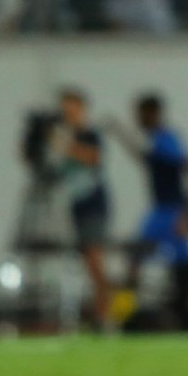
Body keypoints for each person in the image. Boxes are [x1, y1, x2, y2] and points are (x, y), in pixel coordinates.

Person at [104, 92, 188, 329]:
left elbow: (186, 165)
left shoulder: (166, 138)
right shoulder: (155, 140)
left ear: (153, 113)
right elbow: (143, 155)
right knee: (138, 261)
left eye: (141, 114)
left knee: (179, 267)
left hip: (172, 211)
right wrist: (120, 132)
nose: (139, 119)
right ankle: (123, 315)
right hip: (161, 209)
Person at [56, 87, 112, 328]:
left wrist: (65, 145)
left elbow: (94, 158)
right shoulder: (63, 135)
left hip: (92, 202)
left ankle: (105, 312)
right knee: (85, 259)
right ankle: (95, 311)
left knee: (94, 257)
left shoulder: (88, 135)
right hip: (76, 203)